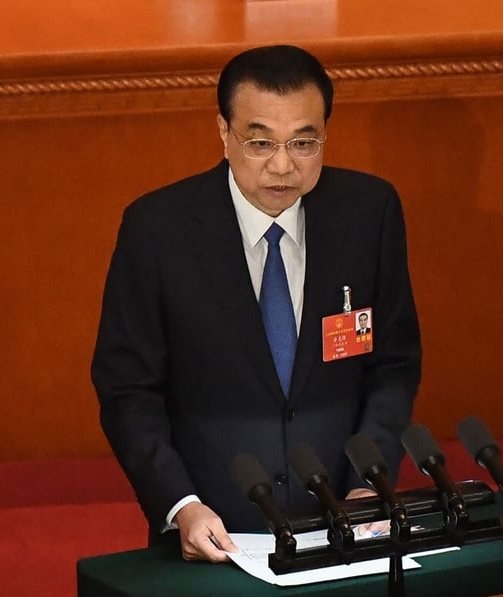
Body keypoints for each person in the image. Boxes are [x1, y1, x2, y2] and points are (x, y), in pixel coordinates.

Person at [91, 45, 422, 563]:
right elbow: (127, 388)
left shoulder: (369, 213)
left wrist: (368, 482)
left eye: (304, 142)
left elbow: (393, 363)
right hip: (215, 533)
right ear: (223, 132)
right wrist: (180, 504)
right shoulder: (158, 230)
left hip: (344, 525)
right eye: (261, 142)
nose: (283, 165)